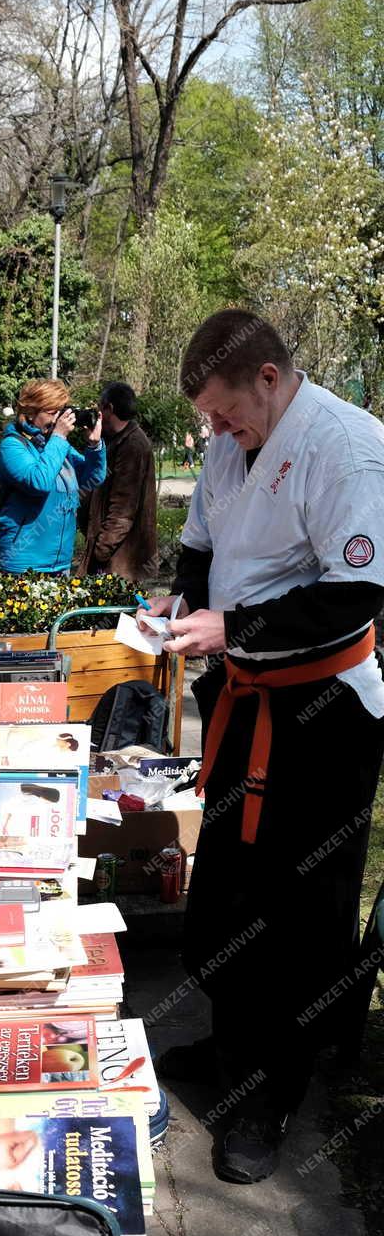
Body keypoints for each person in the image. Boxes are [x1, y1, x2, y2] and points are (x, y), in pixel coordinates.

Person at [146, 308, 384, 1185]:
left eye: (225, 412)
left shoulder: (349, 448)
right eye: (208, 417)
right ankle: (231, 1043)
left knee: (299, 908)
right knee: (228, 898)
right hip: (244, 699)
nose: (215, 430)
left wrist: (231, 626)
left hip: (324, 712)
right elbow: (201, 548)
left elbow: (351, 598)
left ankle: (275, 1090)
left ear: (271, 379)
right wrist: (181, 602)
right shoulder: (226, 444)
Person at [0, 379, 105, 575]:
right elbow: (39, 482)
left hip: (60, 564)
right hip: (23, 565)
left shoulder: (55, 445)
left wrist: (94, 446)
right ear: (30, 413)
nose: (58, 419)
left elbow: (93, 478)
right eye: (52, 412)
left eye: (61, 411)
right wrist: (59, 437)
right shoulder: (13, 446)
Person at [81, 381, 158, 582]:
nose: (97, 413)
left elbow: (123, 511)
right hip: (112, 557)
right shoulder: (115, 440)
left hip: (120, 563)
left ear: (110, 408)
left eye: (100, 406)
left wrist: (100, 552)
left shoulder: (133, 446)